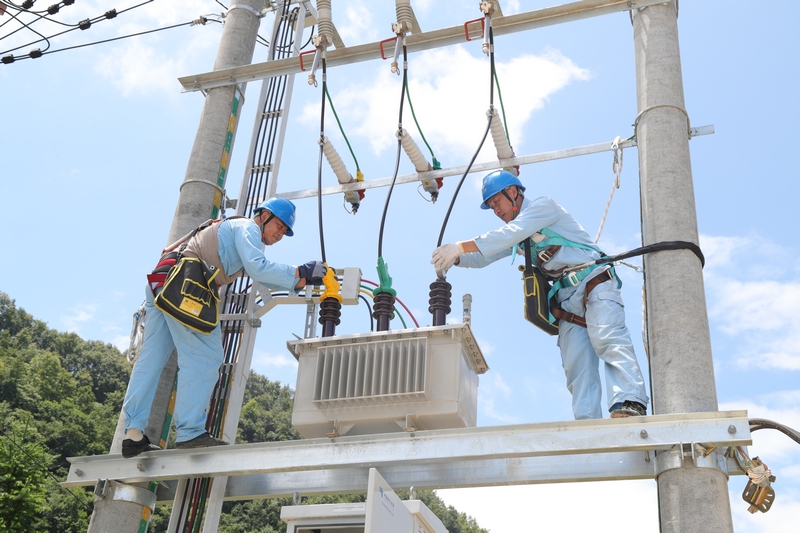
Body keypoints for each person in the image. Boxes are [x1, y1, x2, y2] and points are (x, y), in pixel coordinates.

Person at [431, 170, 649, 420]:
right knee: (577, 367)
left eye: (497, 203)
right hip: (567, 300)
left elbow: (507, 234)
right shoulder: (520, 237)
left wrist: (458, 245)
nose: (496, 211)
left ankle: (630, 402)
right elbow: (485, 255)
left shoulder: (543, 207)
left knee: (608, 340)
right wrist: (456, 258)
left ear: (512, 193)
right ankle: (588, 429)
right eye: (491, 207)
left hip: (593, 283)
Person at [121, 197, 327, 458]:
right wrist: (300, 271)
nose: (280, 234)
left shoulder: (236, 231)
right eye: (280, 226)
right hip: (184, 286)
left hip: (164, 282)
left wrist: (299, 281)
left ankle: (133, 434)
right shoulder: (248, 228)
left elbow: (260, 273)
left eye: (285, 231)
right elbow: (259, 269)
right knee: (206, 356)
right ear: (263, 215)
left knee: (151, 360)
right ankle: (190, 433)